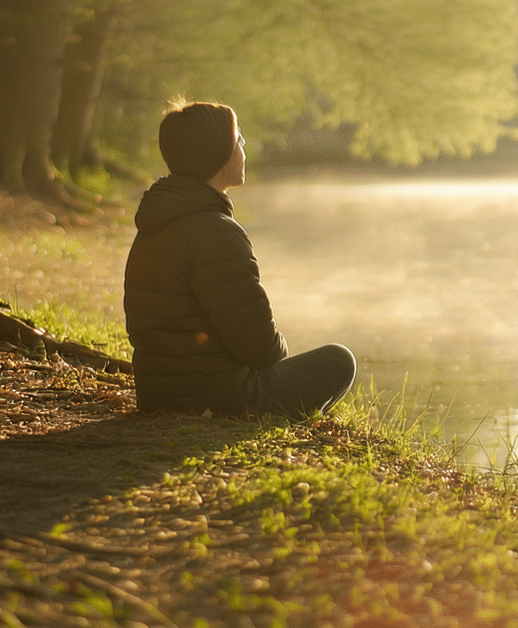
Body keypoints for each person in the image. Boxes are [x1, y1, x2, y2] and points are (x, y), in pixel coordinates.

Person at [123, 101, 356, 418]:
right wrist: (279, 348)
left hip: (157, 395)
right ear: (219, 156)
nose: (244, 149)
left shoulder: (157, 221)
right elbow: (261, 350)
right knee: (338, 361)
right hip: (218, 398)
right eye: (239, 141)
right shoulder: (217, 233)